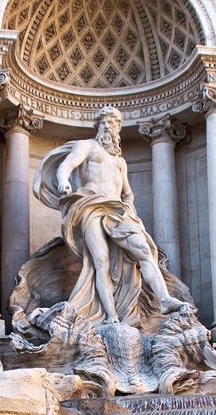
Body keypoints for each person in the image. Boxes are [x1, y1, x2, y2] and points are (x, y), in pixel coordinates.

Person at [34, 106, 189, 326]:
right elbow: (66, 166)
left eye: (113, 123)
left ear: (118, 128)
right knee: (101, 261)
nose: (108, 126)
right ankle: (111, 316)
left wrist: (131, 211)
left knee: (144, 250)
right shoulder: (86, 146)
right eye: (105, 122)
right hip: (90, 206)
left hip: (117, 210)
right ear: (98, 126)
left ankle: (164, 300)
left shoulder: (119, 161)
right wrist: (63, 181)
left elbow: (127, 193)